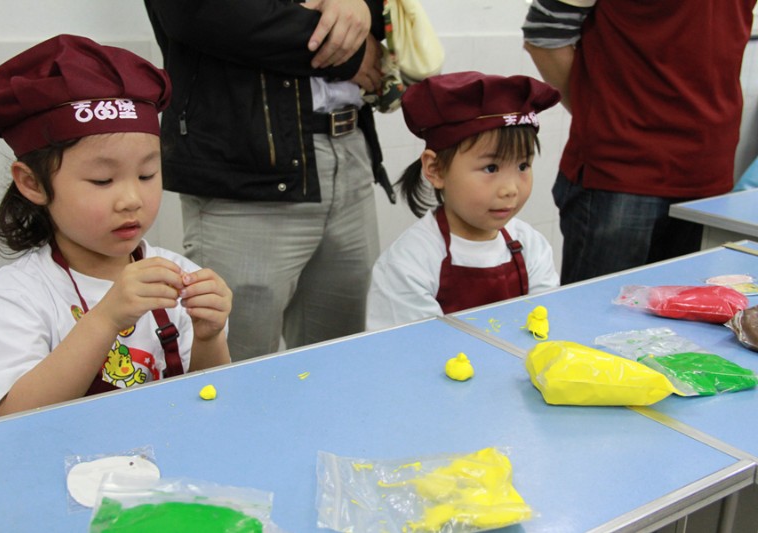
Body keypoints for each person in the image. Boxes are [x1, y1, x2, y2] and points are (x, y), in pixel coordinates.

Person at [0, 34, 232, 421]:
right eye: (103, 181)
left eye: (146, 173)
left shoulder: (178, 275)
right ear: (32, 183)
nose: (131, 199)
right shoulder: (18, 295)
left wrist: (209, 337)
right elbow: (11, 419)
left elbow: (208, 396)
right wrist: (106, 318)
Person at [144, 0, 395, 360]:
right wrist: (350, 52)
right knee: (235, 370)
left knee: (341, 363)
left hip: (348, 148)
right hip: (244, 163)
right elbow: (200, 12)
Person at [522, 0, 758, 284]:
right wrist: (599, 113)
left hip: (710, 174)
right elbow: (545, 33)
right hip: (621, 172)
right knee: (595, 318)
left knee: (689, 324)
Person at [366, 72, 561, 330]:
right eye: (491, 168)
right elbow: (410, 352)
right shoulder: (408, 265)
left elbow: (546, 328)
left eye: (523, 165)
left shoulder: (531, 247)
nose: (511, 189)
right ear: (435, 169)